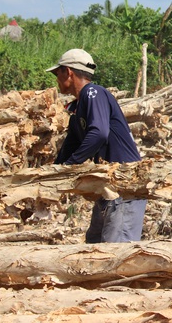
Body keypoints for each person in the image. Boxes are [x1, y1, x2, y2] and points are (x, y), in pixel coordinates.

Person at [46, 48, 147, 243]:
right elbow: (71, 144)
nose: (56, 78)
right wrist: (53, 173)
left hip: (125, 184)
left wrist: (71, 164)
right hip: (108, 186)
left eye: (57, 73)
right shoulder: (78, 108)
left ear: (68, 72)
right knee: (94, 243)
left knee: (115, 254)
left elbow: (99, 133)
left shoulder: (94, 93)